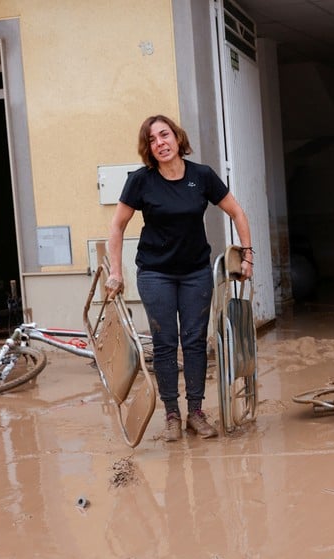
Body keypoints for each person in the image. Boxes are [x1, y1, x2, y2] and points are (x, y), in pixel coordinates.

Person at [105, 114, 253, 442]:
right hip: (155, 273)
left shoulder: (202, 176)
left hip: (196, 273)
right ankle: (172, 414)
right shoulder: (141, 181)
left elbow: (237, 212)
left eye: (165, 135)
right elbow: (117, 226)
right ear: (149, 148)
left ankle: (196, 413)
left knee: (195, 341)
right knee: (165, 342)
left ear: (177, 137)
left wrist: (247, 254)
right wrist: (116, 271)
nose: (161, 143)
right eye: (153, 139)